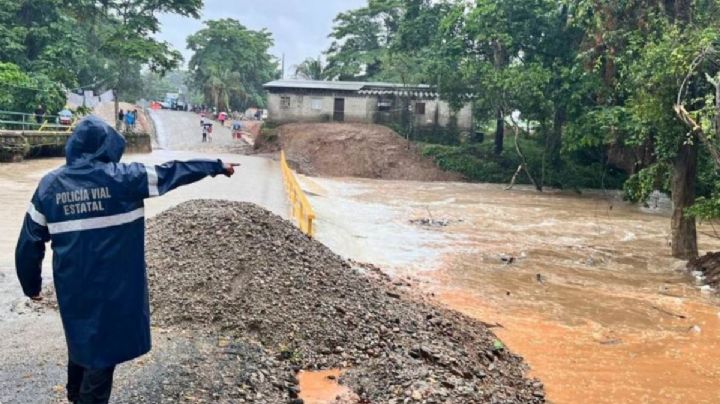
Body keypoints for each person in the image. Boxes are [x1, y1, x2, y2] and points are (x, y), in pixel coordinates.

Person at [15, 116, 238, 404]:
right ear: (106, 146)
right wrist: (216, 167)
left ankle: (74, 395)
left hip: (73, 292)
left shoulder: (49, 187)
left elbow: (28, 244)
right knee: (102, 358)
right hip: (115, 292)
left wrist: (31, 286)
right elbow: (174, 172)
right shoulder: (125, 178)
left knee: (83, 341)